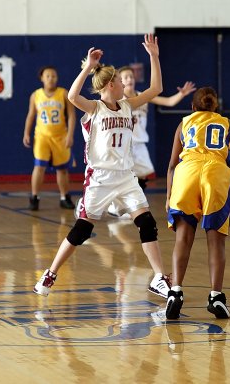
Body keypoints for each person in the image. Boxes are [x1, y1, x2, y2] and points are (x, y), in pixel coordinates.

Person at [34, 34, 171, 299]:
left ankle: (158, 277)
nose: (125, 84)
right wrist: (88, 67)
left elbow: (156, 89)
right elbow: (72, 95)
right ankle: (50, 273)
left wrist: (154, 56)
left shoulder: (127, 105)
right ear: (110, 85)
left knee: (147, 223)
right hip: (100, 178)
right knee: (82, 230)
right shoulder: (95, 108)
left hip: (126, 176)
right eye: (120, 81)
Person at [164, 87, 230, 320]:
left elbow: (171, 166)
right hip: (216, 174)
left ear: (192, 107)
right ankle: (216, 297)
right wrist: (226, 175)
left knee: (183, 238)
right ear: (215, 107)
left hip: (186, 174)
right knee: (216, 241)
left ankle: (175, 293)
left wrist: (169, 196)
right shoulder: (228, 124)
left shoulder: (184, 124)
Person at [120, 65, 196, 190]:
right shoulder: (118, 100)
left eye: (131, 77)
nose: (129, 79)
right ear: (120, 81)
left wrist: (181, 94)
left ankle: (136, 199)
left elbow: (169, 102)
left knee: (146, 177)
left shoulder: (142, 96)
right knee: (124, 179)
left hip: (140, 144)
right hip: (124, 145)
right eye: (126, 77)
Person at [23, 66, 76, 211]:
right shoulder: (36, 95)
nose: (51, 78)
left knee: (62, 169)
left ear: (57, 78)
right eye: (47, 76)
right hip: (42, 136)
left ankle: (64, 197)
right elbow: (31, 115)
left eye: (53, 76)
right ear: (42, 78)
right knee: (39, 167)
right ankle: (34, 197)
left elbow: (71, 115)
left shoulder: (63, 93)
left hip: (60, 136)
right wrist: (26, 133)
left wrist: (70, 135)